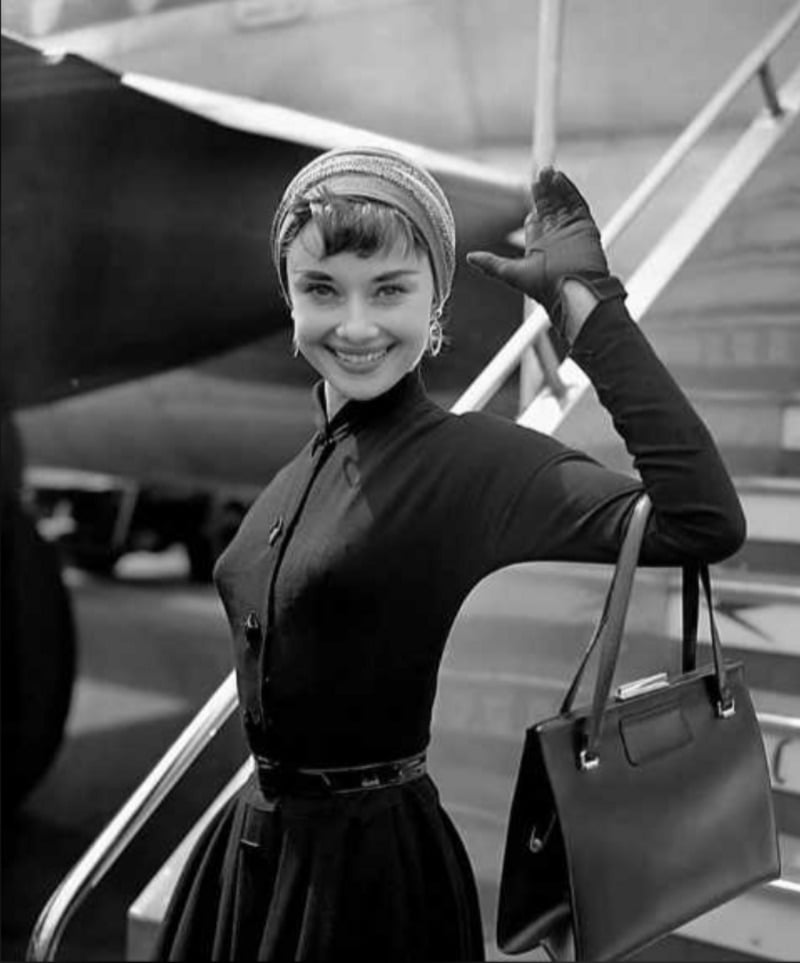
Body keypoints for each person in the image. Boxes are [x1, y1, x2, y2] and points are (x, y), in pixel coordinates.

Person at [153, 147, 745, 961]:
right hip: (253, 866)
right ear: (288, 298)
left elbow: (702, 519)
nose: (356, 325)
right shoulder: (305, 467)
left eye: (390, 289)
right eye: (321, 289)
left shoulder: (467, 462)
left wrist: (588, 313)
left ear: (436, 304)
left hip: (367, 886)